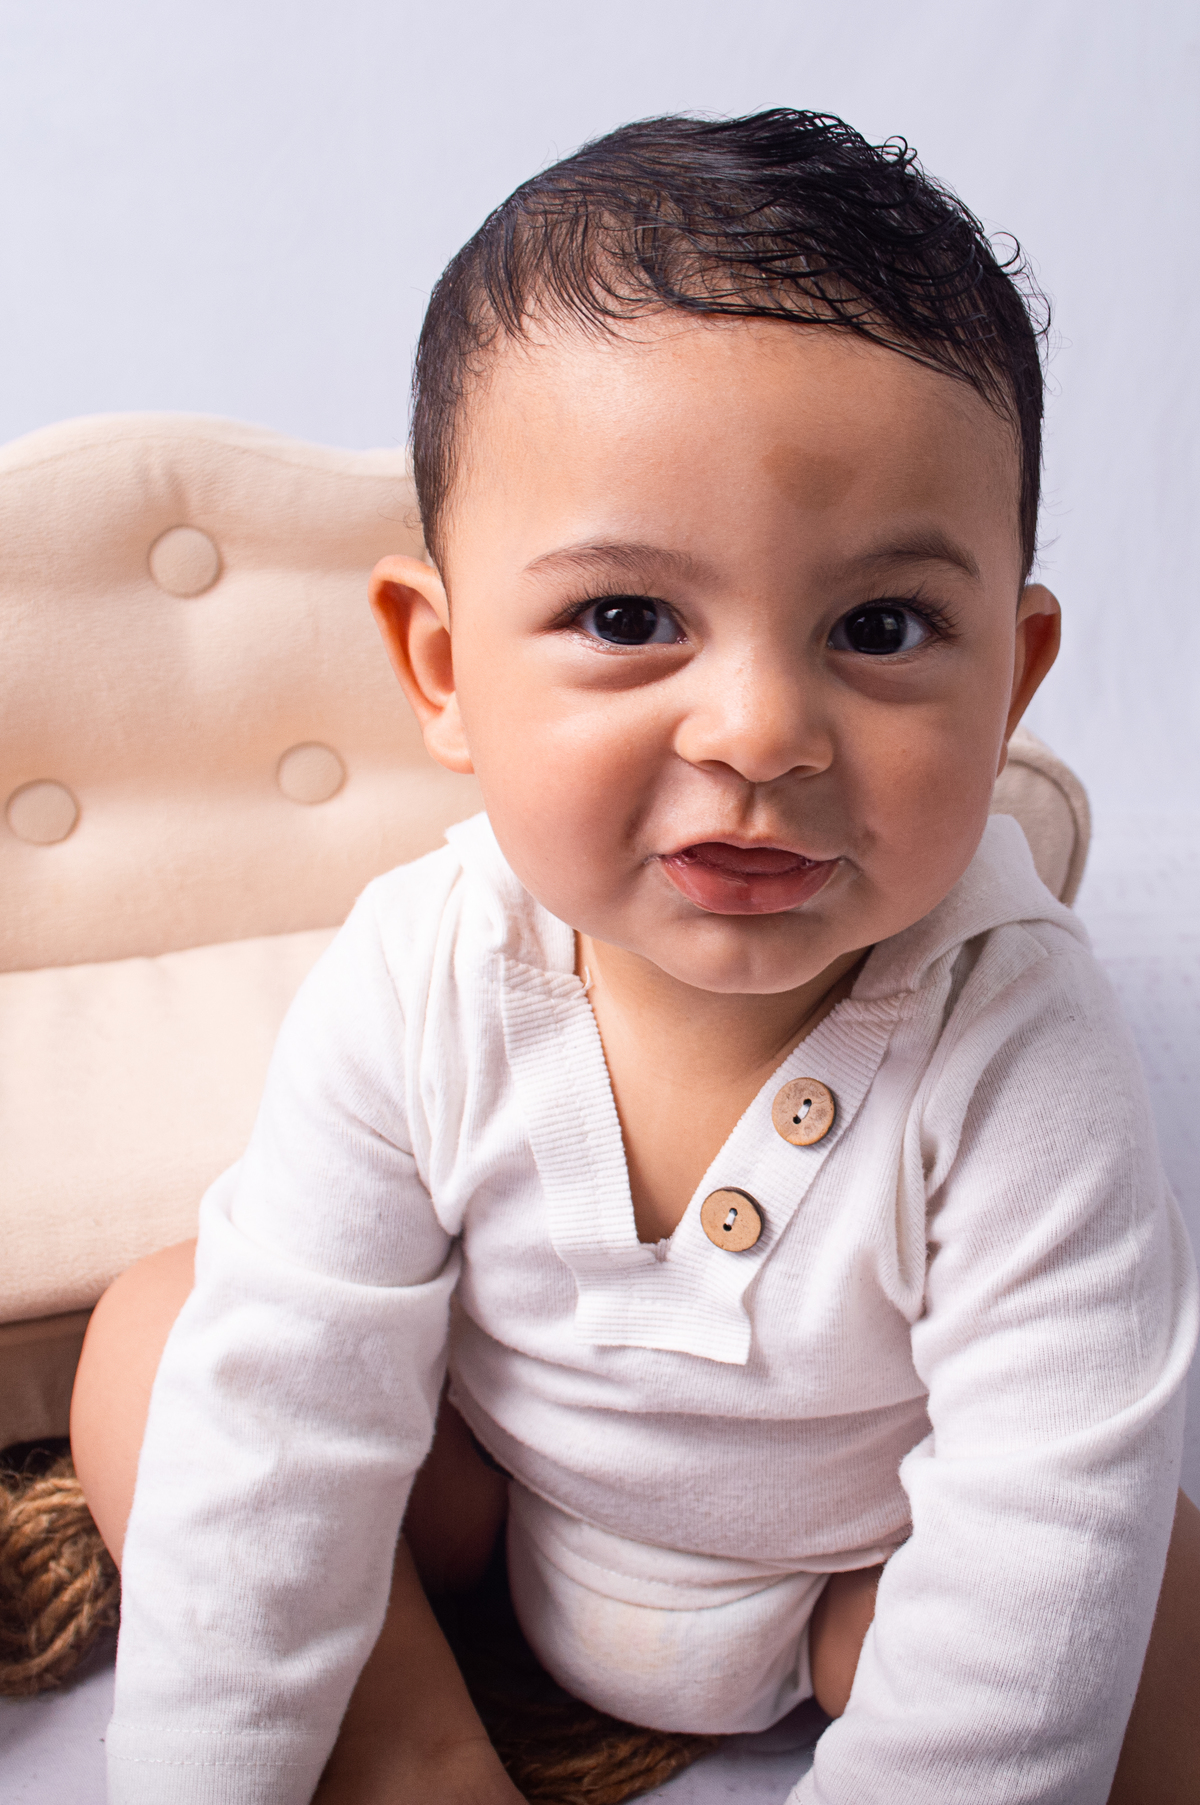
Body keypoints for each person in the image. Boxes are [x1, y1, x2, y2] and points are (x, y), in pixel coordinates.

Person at [71, 111, 1200, 1805]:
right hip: (507, 1499)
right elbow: (291, 1400)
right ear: (442, 665)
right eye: (627, 618)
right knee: (178, 1341)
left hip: (868, 1566)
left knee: (1128, 1570)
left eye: (881, 627)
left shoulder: (1021, 1047)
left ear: (1013, 679)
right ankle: (415, 1754)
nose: (759, 729)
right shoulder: (422, 972)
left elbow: (1036, 1511)